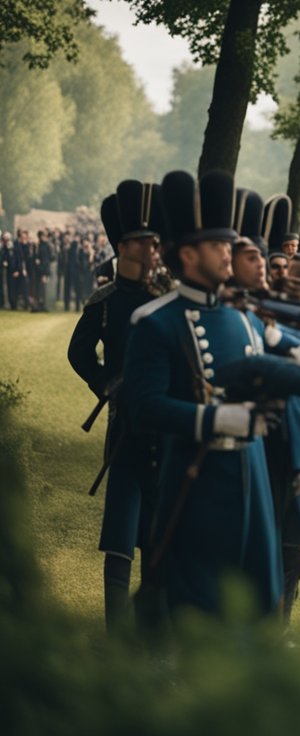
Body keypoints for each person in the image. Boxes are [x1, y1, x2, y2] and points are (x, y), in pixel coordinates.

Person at [124, 171, 296, 618]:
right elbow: (144, 406)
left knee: (260, 603)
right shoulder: (154, 321)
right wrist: (215, 420)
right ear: (188, 254)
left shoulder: (245, 317)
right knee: (200, 611)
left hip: (253, 474)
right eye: (219, 246)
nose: (229, 253)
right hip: (196, 482)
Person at [66, 180, 165, 633]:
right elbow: (80, 353)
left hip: (164, 426)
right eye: (147, 242)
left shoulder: (167, 298)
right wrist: (106, 384)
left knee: (160, 531)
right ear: (124, 246)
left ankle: (153, 628)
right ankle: (115, 631)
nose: (154, 250)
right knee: (121, 531)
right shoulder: (105, 302)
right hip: (125, 426)